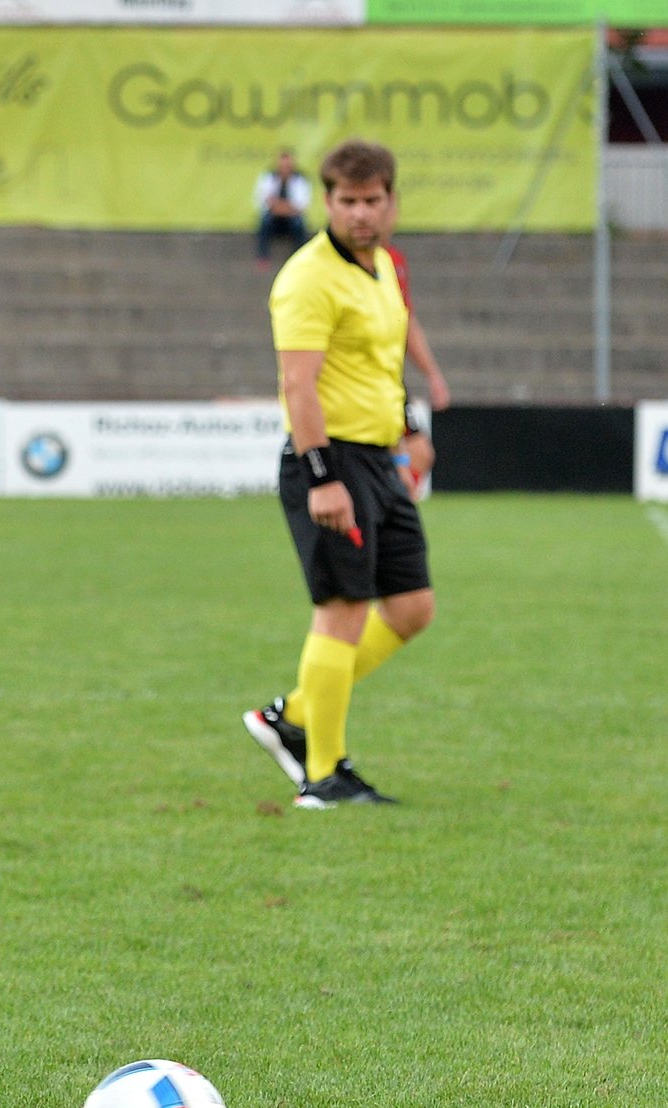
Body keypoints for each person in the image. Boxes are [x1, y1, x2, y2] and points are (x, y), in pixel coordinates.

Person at [242, 139, 434, 808]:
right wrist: (323, 476)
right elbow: (299, 385)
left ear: (392, 202)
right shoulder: (307, 276)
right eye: (347, 201)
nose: (360, 213)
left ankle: (291, 714)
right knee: (343, 613)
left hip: (381, 458)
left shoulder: (383, 267)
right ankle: (323, 775)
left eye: (372, 200)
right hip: (330, 459)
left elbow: (383, 362)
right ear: (327, 202)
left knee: (411, 608)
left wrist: (410, 428)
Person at [380, 198, 449, 500]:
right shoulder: (343, 265)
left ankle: (389, 524)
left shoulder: (394, 260)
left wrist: (433, 375)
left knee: (418, 455)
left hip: (389, 377)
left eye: (384, 206)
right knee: (406, 458)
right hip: (364, 381)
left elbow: (406, 323)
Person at [254, 150, 311, 270]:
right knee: (265, 222)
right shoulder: (268, 177)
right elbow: (262, 201)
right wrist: (285, 207)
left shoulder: (301, 180)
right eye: (282, 166)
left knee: (299, 224)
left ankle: (300, 259)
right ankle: (263, 258)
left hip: (292, 219)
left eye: (288, 166)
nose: (285, 169)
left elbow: (302, 206)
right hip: (273, 218)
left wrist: (278, 206)